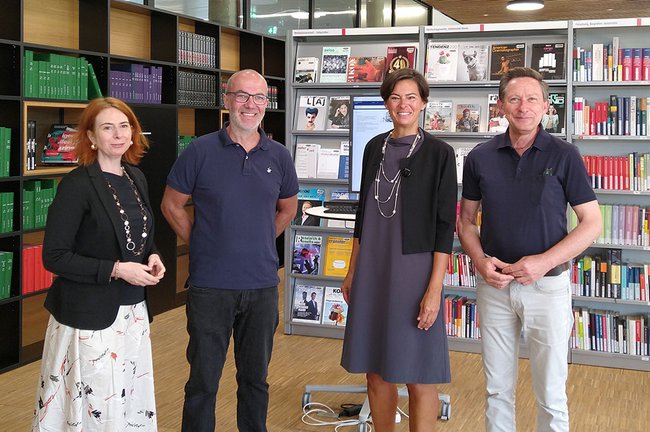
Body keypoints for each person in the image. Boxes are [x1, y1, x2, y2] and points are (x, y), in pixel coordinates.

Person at [457, 67, 602, 432]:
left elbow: (591, 223)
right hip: (495, 287)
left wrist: (543, 262)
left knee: (551, 394)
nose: (524, 107)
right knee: (496, 390)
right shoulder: (480, 157)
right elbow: (466, 222)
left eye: (532, 98)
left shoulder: (565, 154)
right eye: (514, 99)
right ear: (501, 106)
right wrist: (478, 260)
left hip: (547, 289)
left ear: (545, 105)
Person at [160, 69, 299, 432]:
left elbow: (289, 207)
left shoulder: (280, 156)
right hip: (210, 286)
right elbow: (171, 205)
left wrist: (261, 239)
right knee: (203, 382)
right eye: (242, 96)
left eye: (258, 98)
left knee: (255, 380)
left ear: (267, 105)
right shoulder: (199, 151)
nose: (249, 105)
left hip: (262, 286)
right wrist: (204, 241)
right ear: (226, 100)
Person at [32, 97, 166, 431]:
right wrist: (117, 269)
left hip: (132, 314)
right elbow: (55, 257)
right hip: (89, 316)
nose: (119, 135)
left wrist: (153, 256)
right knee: (96, 405)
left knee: (128, 399)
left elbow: (139, 235)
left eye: (125, 126)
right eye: (107, 127)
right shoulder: (77, 185)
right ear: (91, 136)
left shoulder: (136, 177)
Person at [340, 68, 457, 432]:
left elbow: (444, 228)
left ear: (423, 103)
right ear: (386, 103)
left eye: (411, 97)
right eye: (395, 97)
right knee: (376, 371)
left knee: (418, 375)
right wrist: (352, 269)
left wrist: (434, 290)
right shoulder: (374, 146)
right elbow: (362, 215)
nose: (402, 105)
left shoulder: (440, 153)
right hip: (373, 269)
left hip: (414, 272)